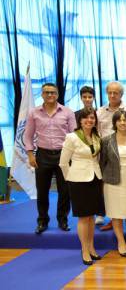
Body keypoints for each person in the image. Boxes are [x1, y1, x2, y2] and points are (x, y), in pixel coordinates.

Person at [24, 82, 76, 234]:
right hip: (43, 155)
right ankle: (42, 221)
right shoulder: (34, 113)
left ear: (57, 94)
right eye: (46, 92)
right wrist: (30, 154)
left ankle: (63, 220)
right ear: (42, 94)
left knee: (65, 191)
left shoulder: (67, 112)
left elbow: (74, 135)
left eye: (52, 92)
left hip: (64, 155)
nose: (50, 95)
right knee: (42, 191)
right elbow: (27, 136)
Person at [58, 107, 103, 265]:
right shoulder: (72, 137)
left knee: (91, 217)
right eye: (86, 118)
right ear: (80, 120)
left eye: (92, 118)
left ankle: (91, 247)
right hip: (78, 181)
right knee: (84, 217)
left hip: (95, 178)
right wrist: (70, 179)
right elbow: (63, 163)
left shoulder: (96, 136)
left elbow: (95, 159)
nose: (89, 121)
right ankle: (84, 250)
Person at [96, 81, 126, 230]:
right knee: (113, 199)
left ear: (121, 94)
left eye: (116, 92)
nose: (113, 95)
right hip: (108, 153)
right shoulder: (100, 112)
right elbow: (96, 133)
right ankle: (111, 220)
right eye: (110, 92)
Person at [99, 110, 126, 258]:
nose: (123, 123)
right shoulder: (106, 140)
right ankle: (121, 242)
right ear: (115, 123)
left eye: (125, 120)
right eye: (119, 120)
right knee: (116, 214)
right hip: (113, 182)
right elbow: (102, 162)